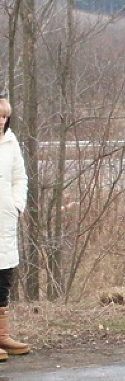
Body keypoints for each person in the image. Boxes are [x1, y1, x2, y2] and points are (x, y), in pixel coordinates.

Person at [0, 95, 30, 361]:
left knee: (4, 274)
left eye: (4, 116)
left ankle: (2, 333)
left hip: (5, 217)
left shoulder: (11, 142)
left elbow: (19, 177)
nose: (1, 121)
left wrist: (16, 205)